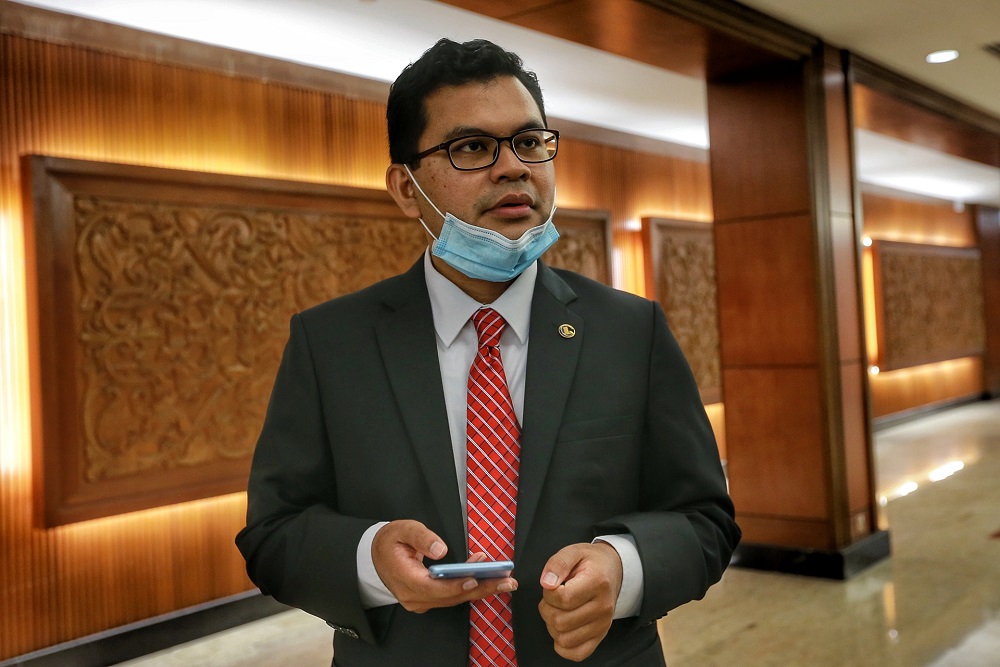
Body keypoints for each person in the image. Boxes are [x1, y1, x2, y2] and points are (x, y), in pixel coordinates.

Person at [236, 38, 740, 666]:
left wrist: (624, 566)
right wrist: (370, 557)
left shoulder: (631, 331)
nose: (513, 168)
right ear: (404, 187)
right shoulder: (332, 343)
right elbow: (273, 533)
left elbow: (706, 519)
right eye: (471, 147)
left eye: (529, 142)